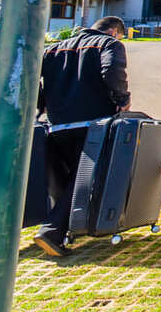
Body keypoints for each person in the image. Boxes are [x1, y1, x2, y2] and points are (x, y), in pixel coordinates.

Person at [34, 16, 131, 257]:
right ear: (113, 31)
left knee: (69, 180)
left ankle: (69, 228)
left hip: (57, 125)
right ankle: (52, 230)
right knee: (85, 180)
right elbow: (111, 71)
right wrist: (123, 100)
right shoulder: (109, 44)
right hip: (93, 124)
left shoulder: (53, 49)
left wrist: (41, 105)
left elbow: (34, 78)